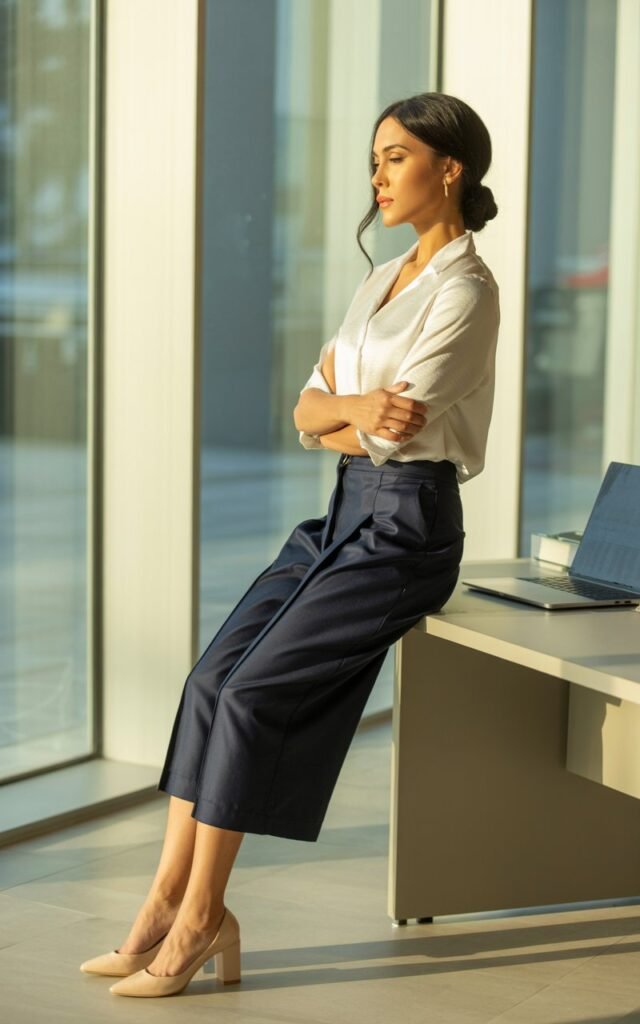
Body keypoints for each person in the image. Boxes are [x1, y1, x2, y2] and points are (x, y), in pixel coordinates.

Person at [80, 91, 500, 999]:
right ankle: (162, 905)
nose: (377, 175)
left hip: (407, 532)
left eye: (395, 157)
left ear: (449, 169)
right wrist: (348, 409)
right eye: (375, 158)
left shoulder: (467, 292)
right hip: (341, 516)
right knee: (208, 681)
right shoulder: (379, 279)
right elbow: (312, 412)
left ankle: (200, 919)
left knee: (253, 695)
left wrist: (343, 420)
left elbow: (396, 438)